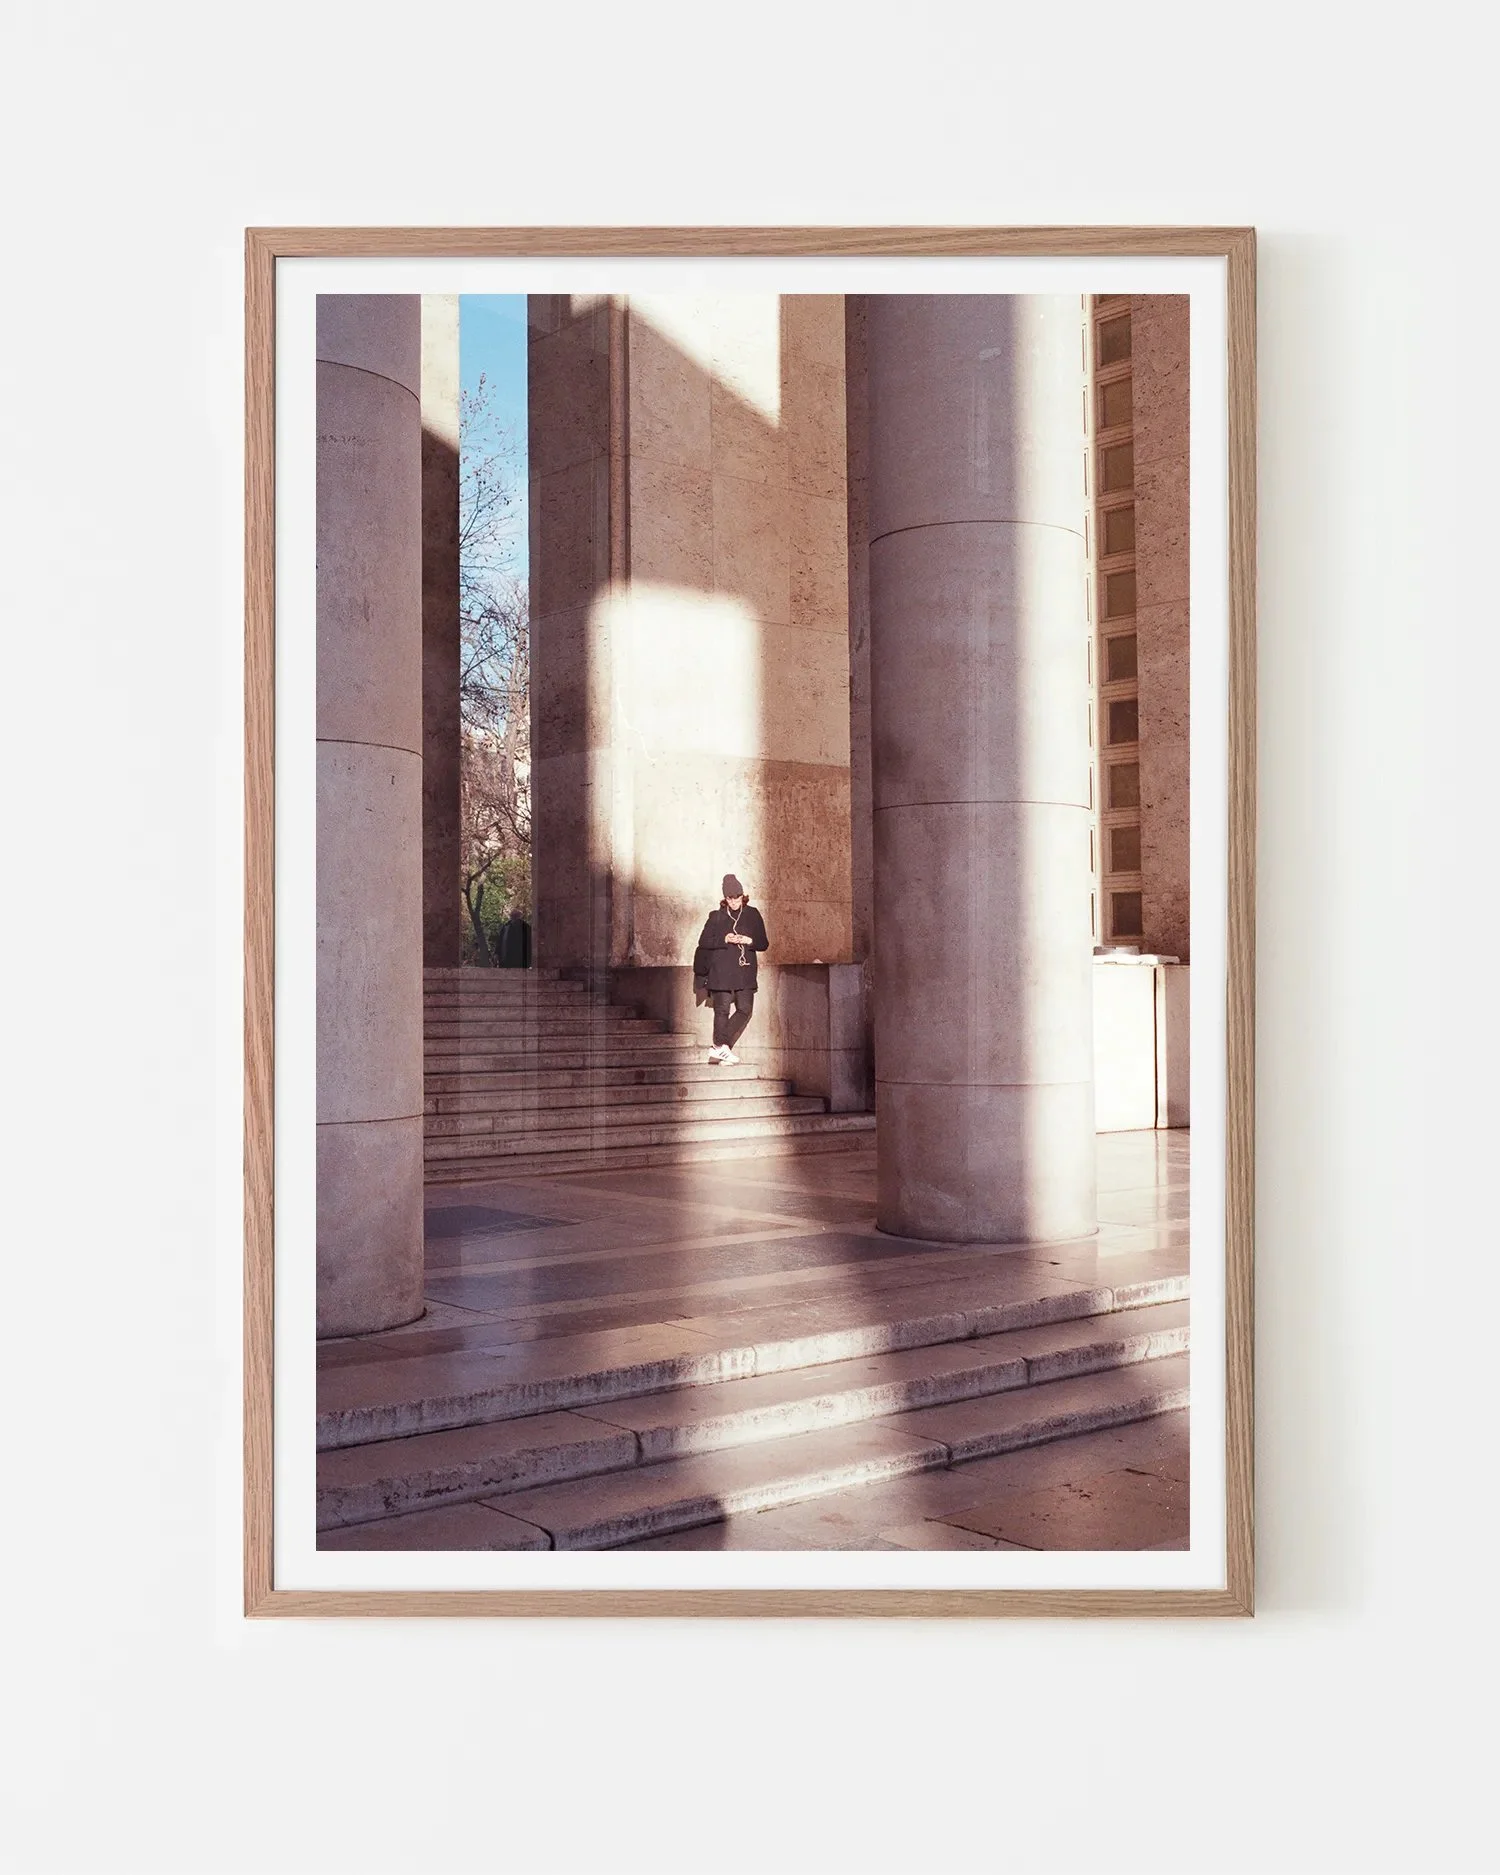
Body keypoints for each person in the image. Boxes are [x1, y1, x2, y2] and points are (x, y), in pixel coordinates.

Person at [692, 874, 769, 1065]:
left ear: (743, 896)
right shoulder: (716, 916)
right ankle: (722, 1048)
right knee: (722, 1010)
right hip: (721, 970)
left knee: (745, 1009)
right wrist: (724, 938)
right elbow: (703, 941)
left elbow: (763, 943)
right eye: (730, 898)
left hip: (745, 971)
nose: (734, 902)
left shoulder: (752, 914)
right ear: (725, 898)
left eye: (737, 897)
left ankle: (719, 1046)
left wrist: (748, 940)